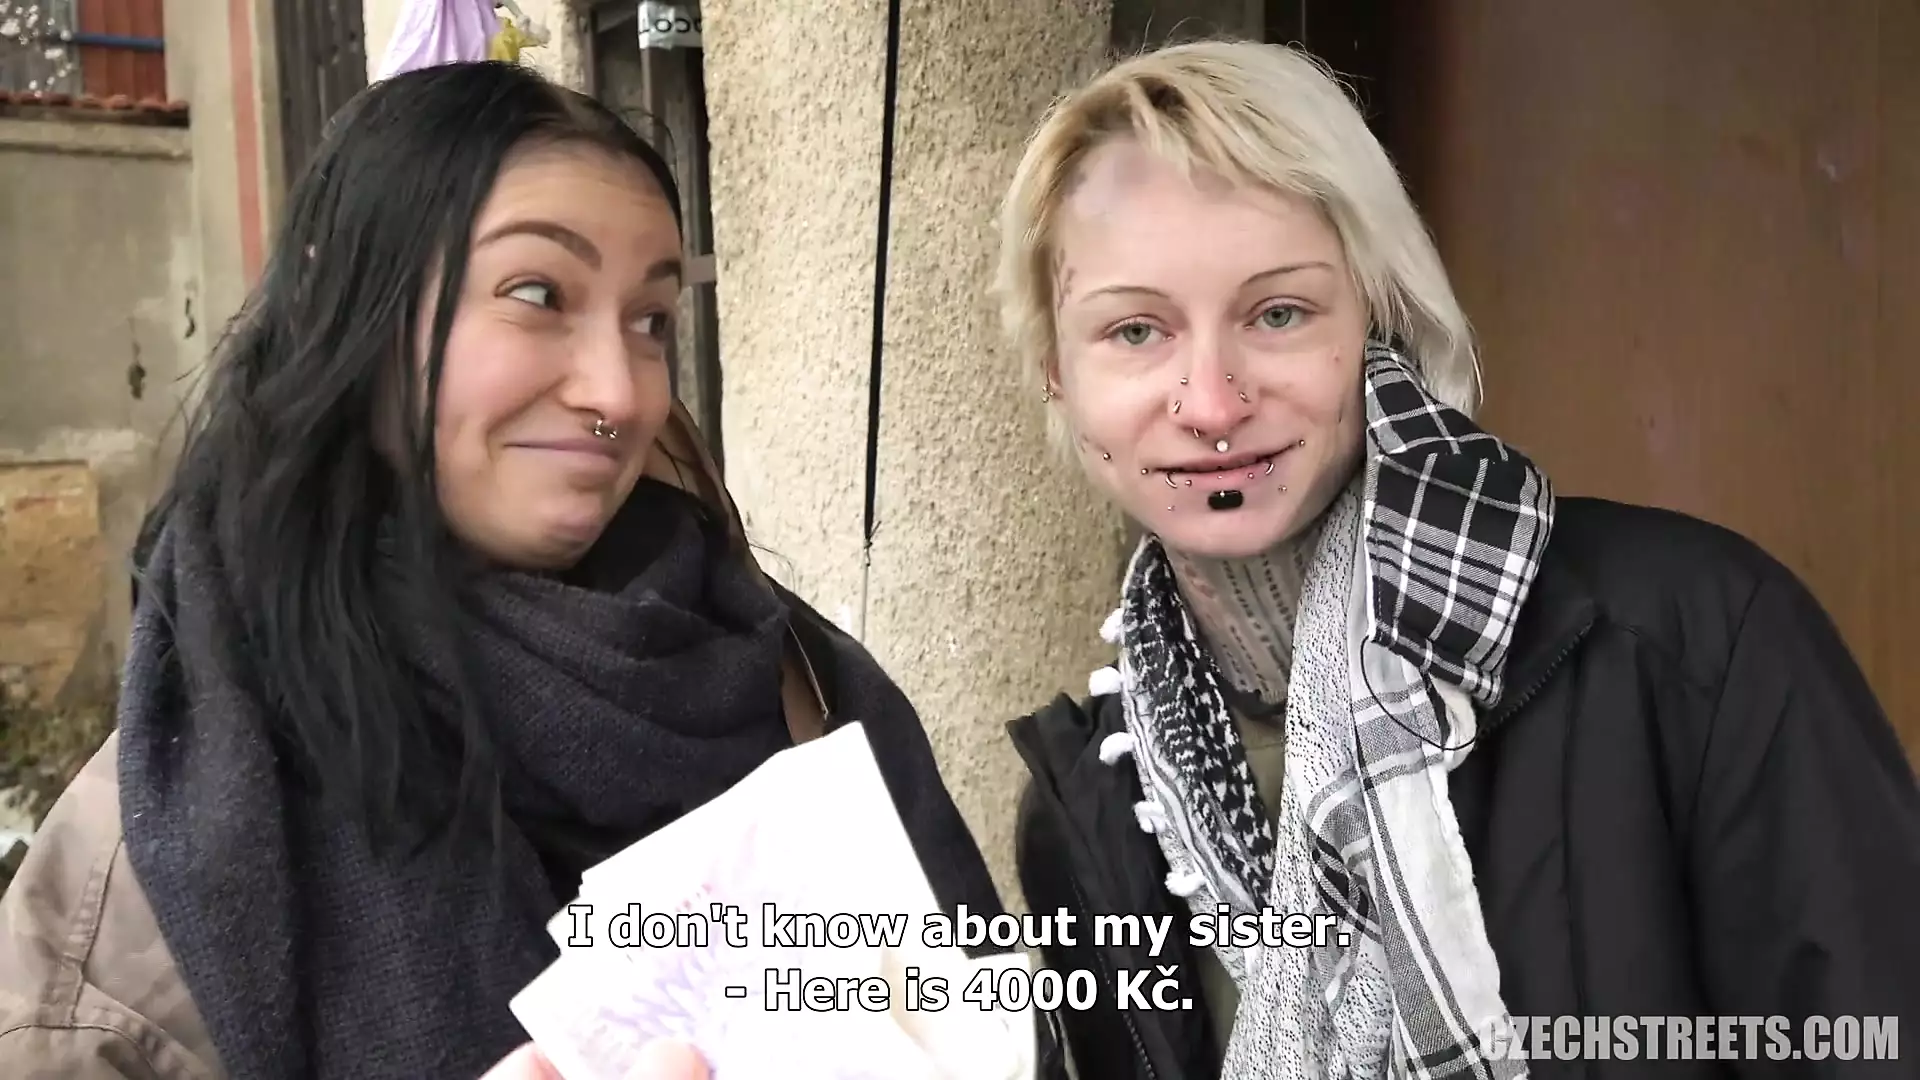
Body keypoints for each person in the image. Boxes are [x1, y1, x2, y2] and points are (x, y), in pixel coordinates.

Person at [0, 61, 1012, 1080]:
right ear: (341, 303)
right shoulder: (165, 863)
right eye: (537, 294)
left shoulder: (798, 684)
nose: (620, 393)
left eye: (651, 320)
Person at [998, 40, 1920, 1080]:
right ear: (1058, 373)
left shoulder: (1692, 646)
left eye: (1279, 313)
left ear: (1380, 317)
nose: (1210, 403)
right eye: (1135, 331)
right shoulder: (1098, 808)